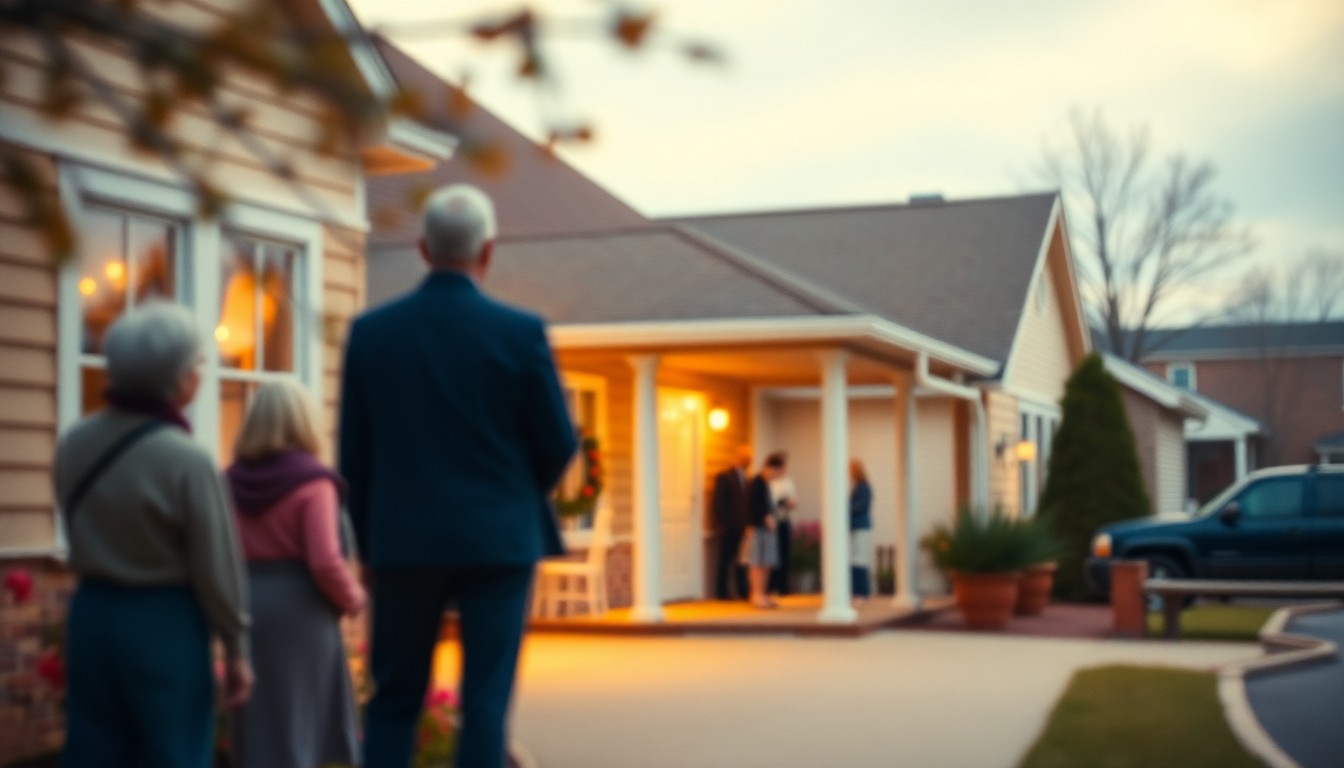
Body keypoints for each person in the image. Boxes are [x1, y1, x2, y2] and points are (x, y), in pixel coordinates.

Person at [340, 183, 578, 768]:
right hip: (498, 539)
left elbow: (354, 454)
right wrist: (517, 494)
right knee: (486, 704)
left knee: (394, 699)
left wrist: (368, 545)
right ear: (487, 252)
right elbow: (559, 441)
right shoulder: (519, 332)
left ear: (422, 248)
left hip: (403, 541)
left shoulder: (372, 333)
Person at [53, 302, 252, 767]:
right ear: (180, 379)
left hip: (92, 615)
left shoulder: (74, 441)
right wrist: (237, 648)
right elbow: (217, 567)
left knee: (92, 751)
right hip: (164, 623)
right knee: (173, 752)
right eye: (199, 364)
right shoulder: (187, 459)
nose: (202, 374)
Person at [225, 378, 365, 767]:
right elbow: (324, 560)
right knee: (301, 723)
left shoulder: (228, 482)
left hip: (246, 604)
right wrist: (354, 598)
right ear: (303, 421)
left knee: (258, 724)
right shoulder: (314, 482)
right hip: (302, 612)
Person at [743, 454, 786, 609]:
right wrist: (764, 518)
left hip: (767, 528)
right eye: (779, 471)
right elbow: (753, 505)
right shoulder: (756, 483)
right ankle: (756, 594)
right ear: (772, 468)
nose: (779, 476)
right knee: (757, 563)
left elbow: (768, 506)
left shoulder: (766, 484)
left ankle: (762, 594)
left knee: (766, 563)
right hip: (757, 528)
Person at [710, 445, 752, 600]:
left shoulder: (747, 478)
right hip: (729, 526)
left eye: (750, 458)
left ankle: (742, 589)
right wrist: (723, 523)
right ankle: (722, 591)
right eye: (747, 458)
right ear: (738, 458)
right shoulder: (724, 476)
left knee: (742, 559)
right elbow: (718, 502)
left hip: (743, 526)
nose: (749, 461)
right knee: (725, 559)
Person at [766, 451, 798, 596]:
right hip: (772, 523)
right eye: (782, 466)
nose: (784, 469)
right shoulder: (769, 483)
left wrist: (789, 503)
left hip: (784, 520)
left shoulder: (788, 482)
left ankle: (783, 587)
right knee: (773, 555)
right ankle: (771, 586)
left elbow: (793, 501)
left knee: (784, 553)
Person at [849, 459, 874, 602]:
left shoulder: (864, 487)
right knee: (855, 559)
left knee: (859, 559)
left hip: (861, 527)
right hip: (855, 527)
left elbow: (861, 507)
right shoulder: (857, 487)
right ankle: (857, 592)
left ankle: (862, 592)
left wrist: (846, 506)